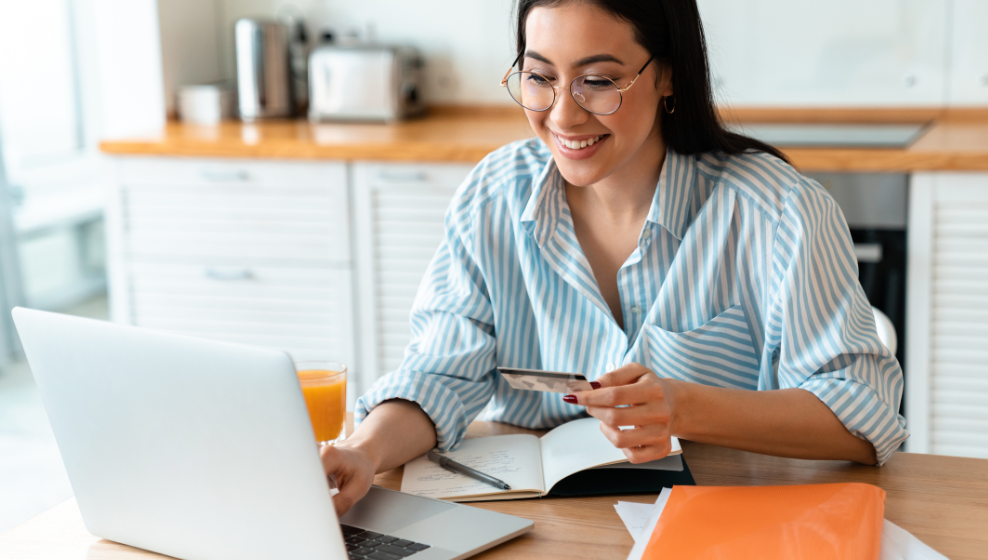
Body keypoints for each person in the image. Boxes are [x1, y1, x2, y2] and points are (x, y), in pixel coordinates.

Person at [322, 0, 908, 516]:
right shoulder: (494, 194)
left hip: (722, 520)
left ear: (668, 75)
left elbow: (864, 415)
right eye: (539, 78)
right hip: (548, 526)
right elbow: (438, 373)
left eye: (598, 81)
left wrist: (681, 405)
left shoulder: (778, 212)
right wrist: (364, 451)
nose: (563, 115)